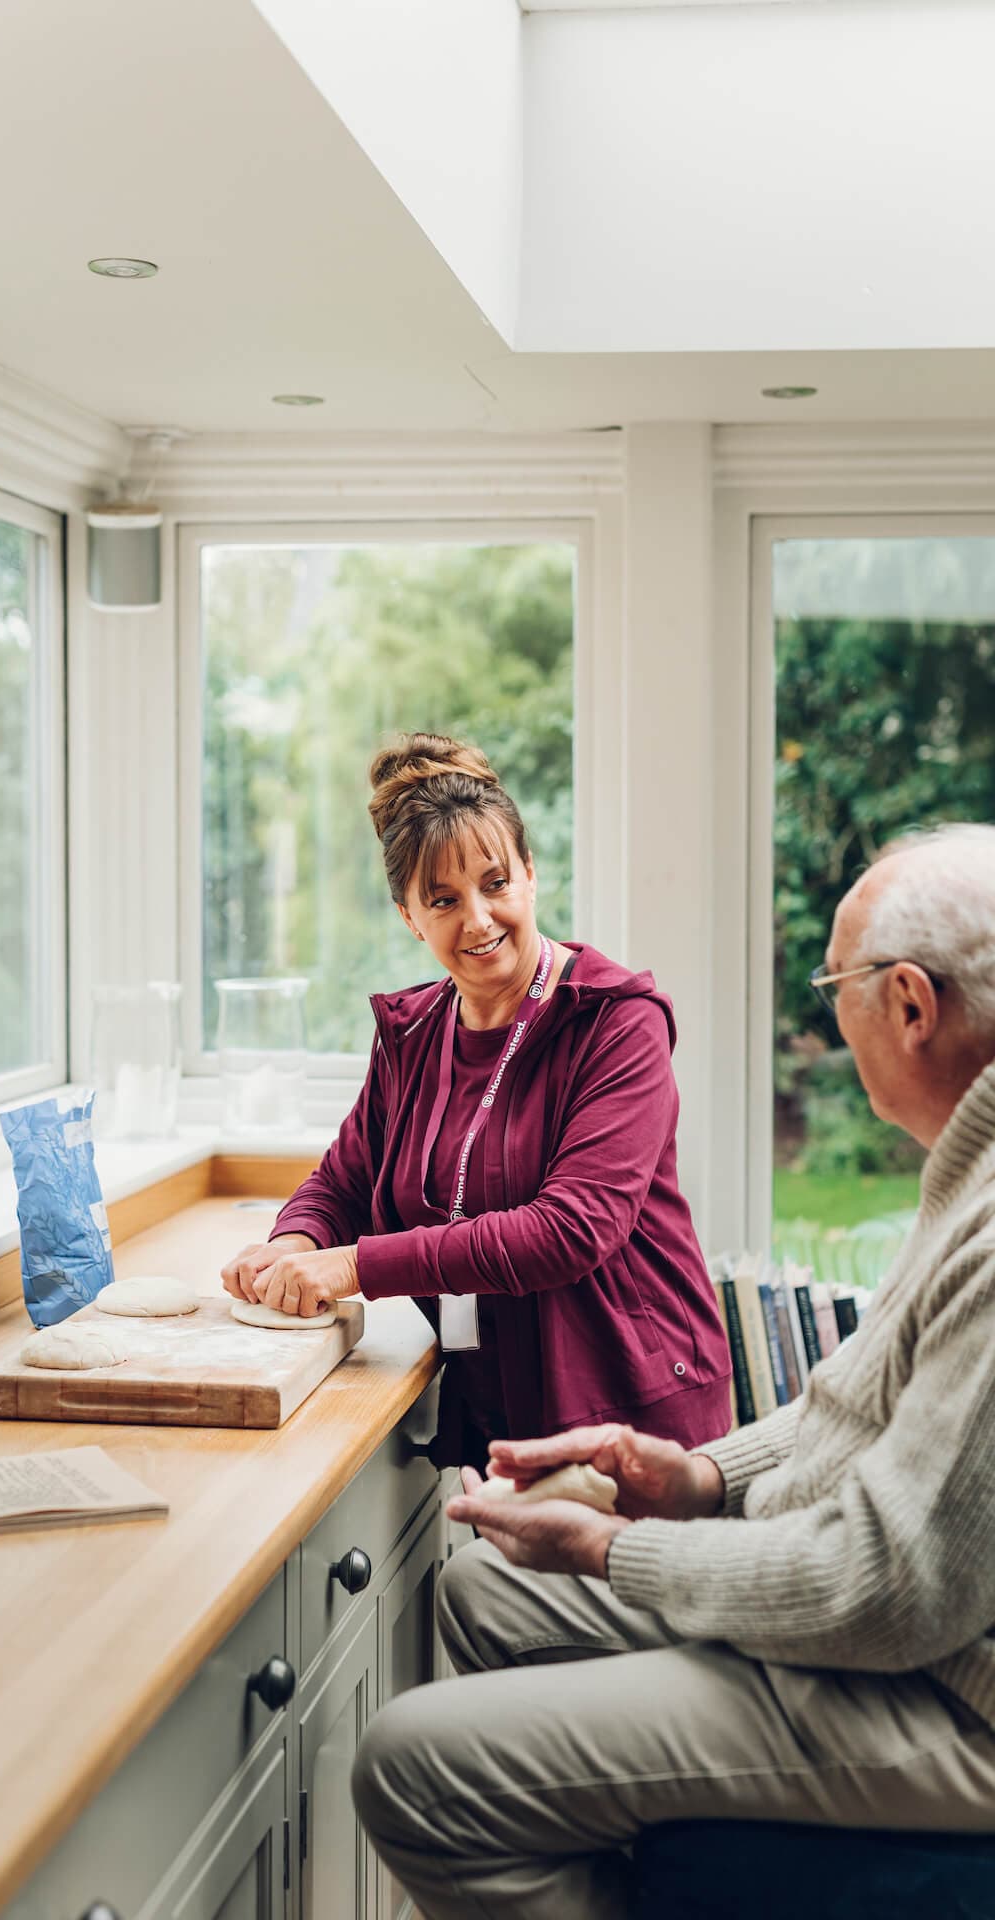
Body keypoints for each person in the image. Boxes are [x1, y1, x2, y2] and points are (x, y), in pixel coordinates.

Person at [351, 822, 995, 1920]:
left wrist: (617, 1549)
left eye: (831, 983)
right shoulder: (965, 1166)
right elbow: (883, 1401)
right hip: (884, 1617)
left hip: (945, 1696)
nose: (825, 1016)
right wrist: (695, 1477)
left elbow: (889, 1588)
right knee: (489, 1589)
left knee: (411, 1761)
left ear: (906, 1005)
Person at [221, 733, 732, 1467]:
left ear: (529, 873)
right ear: (408, 916)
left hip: (634, 1415)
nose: (480, 919)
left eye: (496, 883)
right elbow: (344, 1181)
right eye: (443, 900)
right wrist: (293, 1246)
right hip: (500, 1411)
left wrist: (354, 1267)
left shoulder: (618, 1021)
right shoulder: (414, 1032)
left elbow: (571, 1230)